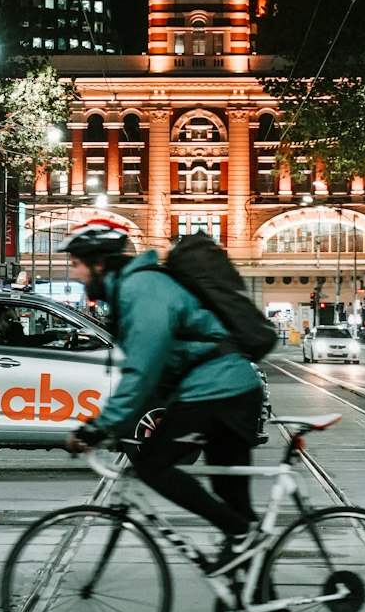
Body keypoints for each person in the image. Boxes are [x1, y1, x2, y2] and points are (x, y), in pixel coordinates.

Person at [59, 219, 267, 576]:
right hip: (230, 389)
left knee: (152, 464)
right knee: (233, 502)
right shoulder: (136, 287)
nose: (74, 274)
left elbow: (143, 367)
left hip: (216, 390)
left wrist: (98, 427)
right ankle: (263, 610)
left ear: (97, 263)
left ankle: (241, 533)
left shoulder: (142, 289)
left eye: (75, 264)